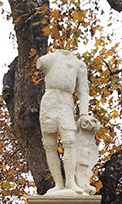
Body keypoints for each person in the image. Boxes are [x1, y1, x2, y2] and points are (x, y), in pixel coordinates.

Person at [37, 50, 98, 195]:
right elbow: (40, 63)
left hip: (66, 101)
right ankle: (58, 183)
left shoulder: (79, 65)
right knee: (49, 143)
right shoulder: (51, 58)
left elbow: (83, 91)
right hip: (49, 99)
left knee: (69, 141)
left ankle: (70, 182)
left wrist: (83, 114)